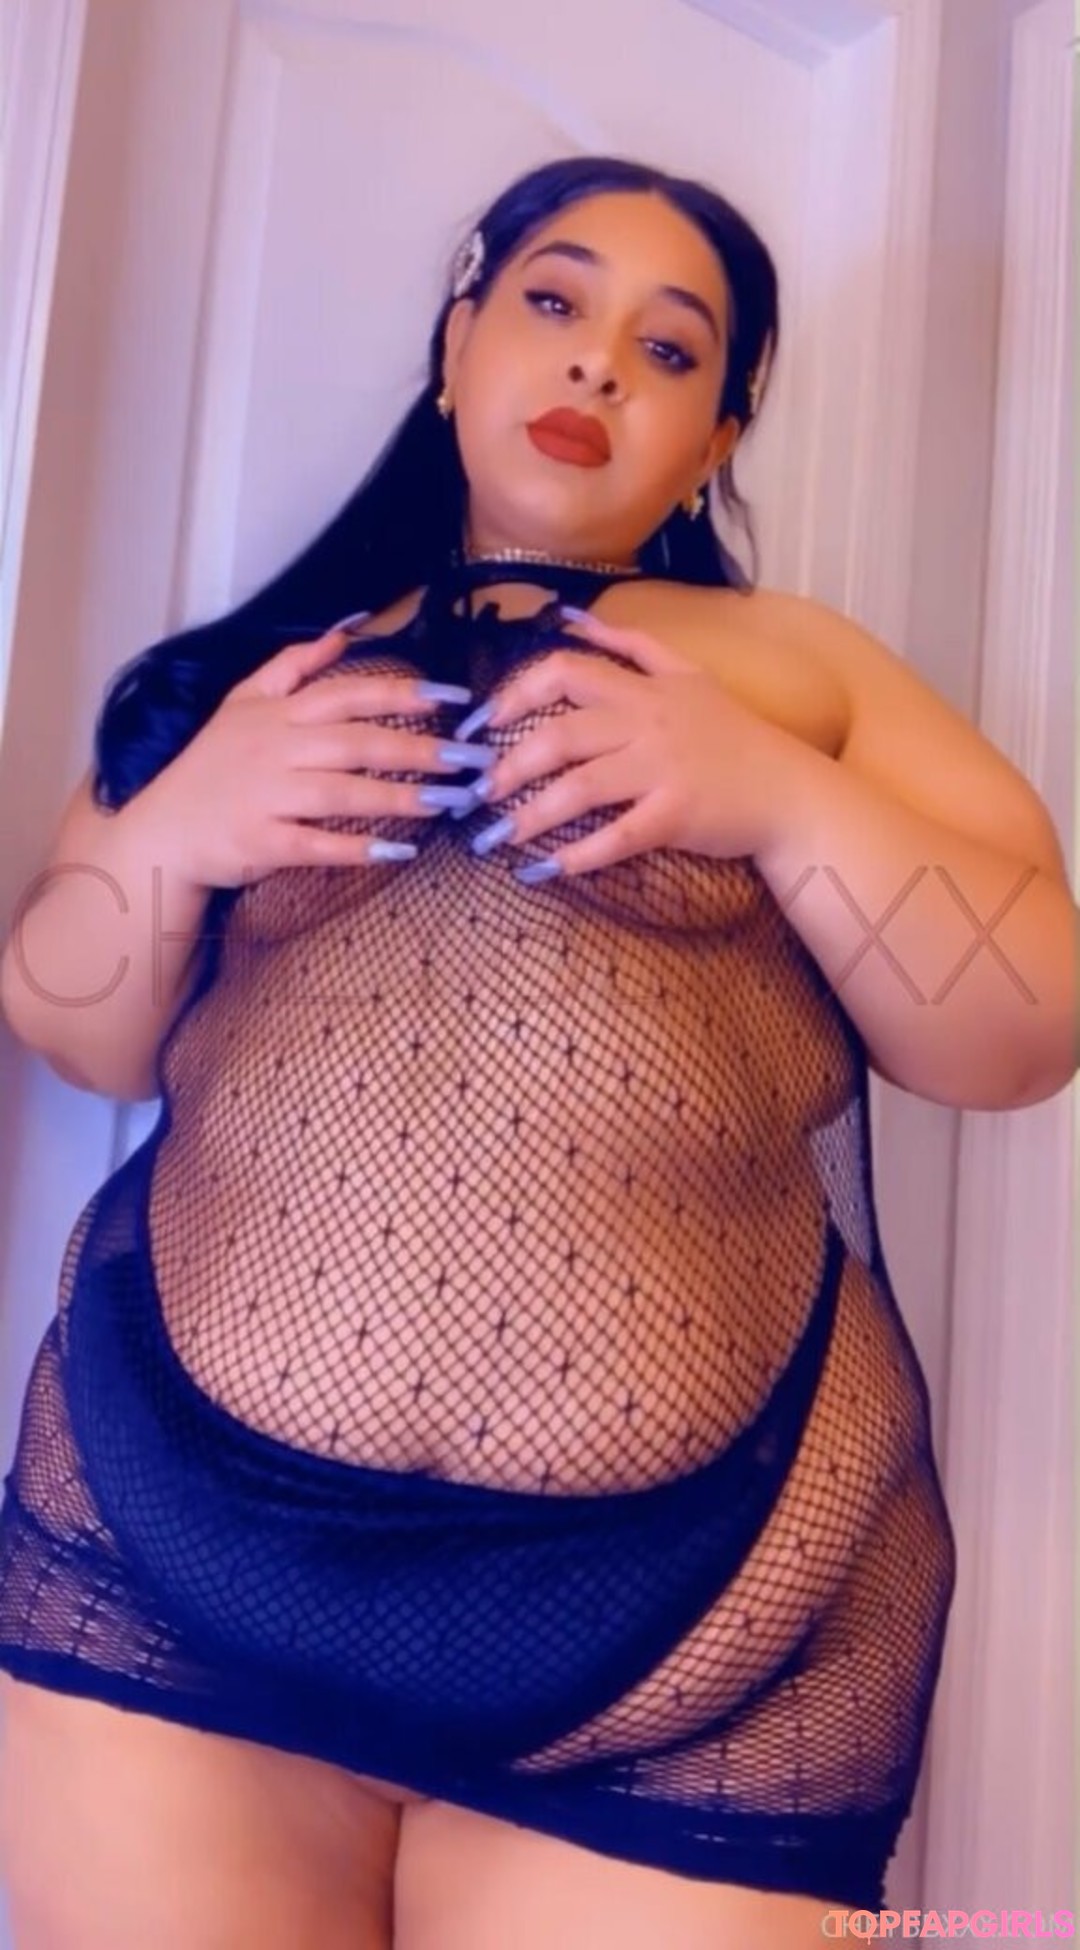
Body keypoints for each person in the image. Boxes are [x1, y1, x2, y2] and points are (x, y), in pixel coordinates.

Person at [0, 152, 1075, 1950]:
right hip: (170, 1575)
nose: (597, 365)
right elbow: (74, 1023)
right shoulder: (263, 674)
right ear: (457, 345)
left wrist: (775, 796)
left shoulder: (788, 668)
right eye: (556, 303)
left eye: (671, 349)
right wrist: (177, 832)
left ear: (722, 433)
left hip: (692, 1636)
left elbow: (1022, 1030)